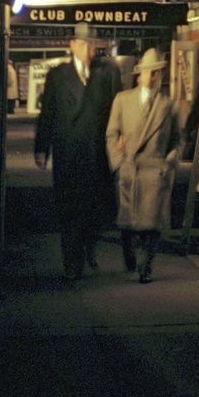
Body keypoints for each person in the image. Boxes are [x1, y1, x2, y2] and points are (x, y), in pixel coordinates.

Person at [34, 25, 122, 286]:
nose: (89, 50)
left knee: (94, 209)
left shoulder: (107, 73)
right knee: (70, 210)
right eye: (84, 44)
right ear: (72, 45)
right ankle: (72, 264)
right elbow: (47, 113)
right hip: (68, 153)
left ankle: (88, 247)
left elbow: (117, 108)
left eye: (92, 45)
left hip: (97, 154)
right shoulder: (58, 75)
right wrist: (42, 147)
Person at [106, 48, 183, 283]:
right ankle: (129, 254)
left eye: (158, 72)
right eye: (150, 72)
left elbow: (177, 139)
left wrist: (169, 163)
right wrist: (118, 165)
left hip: (154, 171)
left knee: (151, 225)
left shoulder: (167, 105)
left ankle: (145, 267)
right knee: (129, 223)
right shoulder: (123, 99)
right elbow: (111, 134)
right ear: (139, 74)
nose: (154, 77)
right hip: (130, 170)